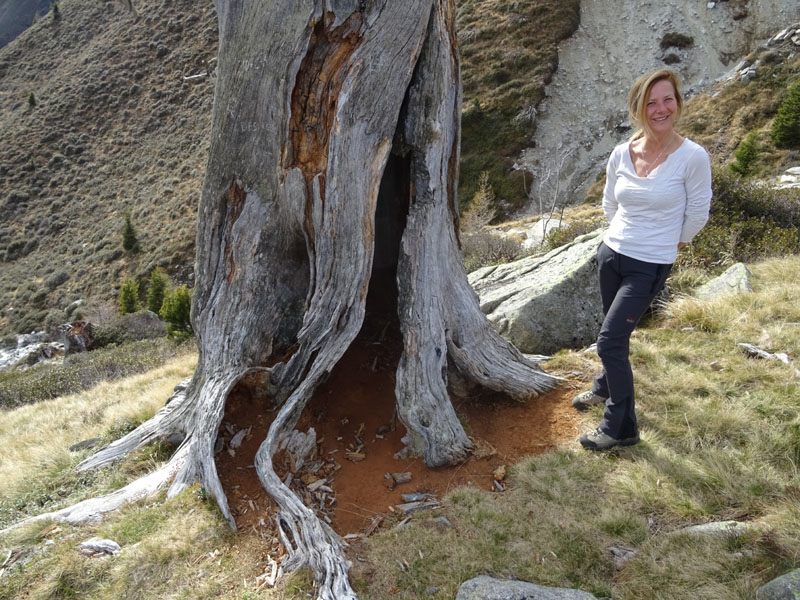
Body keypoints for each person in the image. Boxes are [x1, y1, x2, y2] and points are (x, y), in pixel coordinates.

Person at [572, 69, 712, 451]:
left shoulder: (692, 157)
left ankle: (621, 428)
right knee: (614, 333)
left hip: (649, 264)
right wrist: (620, 237)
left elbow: (698, 212)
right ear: (639, 109)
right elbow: (609, 204)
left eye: (667, 99)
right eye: (651, 102)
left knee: (609, 341)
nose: (660, 108)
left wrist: (673, 242)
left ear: (678, 104)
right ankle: (604, 387)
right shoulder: (622, 152)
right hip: (612, 254)